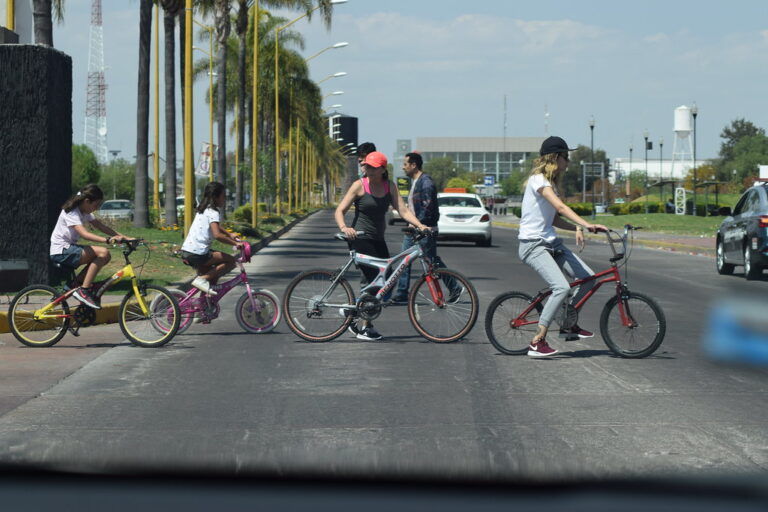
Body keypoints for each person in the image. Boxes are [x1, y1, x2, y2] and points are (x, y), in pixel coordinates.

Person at [518, 136, 608, 357]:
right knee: (562, 288)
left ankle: (567, 324)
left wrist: (576, 227)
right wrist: (586, 224)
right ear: (555, 157)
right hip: (533, 245)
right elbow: (559, 206)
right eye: (566, 157)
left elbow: (554, 218)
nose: (568, 162)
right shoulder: (538, 180)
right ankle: (537, 342)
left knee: (588, 279)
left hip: (551, 243)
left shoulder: (551, 184)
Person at [335, 151, 430, 341]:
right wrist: (345, 227)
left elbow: (402, 210)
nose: (367, 169)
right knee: (375, 282)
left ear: (383, 169)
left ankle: (352, 310)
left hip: (378, 239)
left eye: (372, 166)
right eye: (367, 166)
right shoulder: (359, 185)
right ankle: (365, 327)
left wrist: (420, 225)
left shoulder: (389, 187)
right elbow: (340, 210)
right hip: (360, 238)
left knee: (387, 280)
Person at [390, 152, 457, 304]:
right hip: (414, 230)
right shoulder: (416, 181)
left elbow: (427, 207)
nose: (403, 167)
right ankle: (401, 293)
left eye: (405, 164)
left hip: (424, 230)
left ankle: (454, 287)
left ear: (414, 165)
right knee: (404, 260)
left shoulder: (425, 182)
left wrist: (419, 225)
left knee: (431, 262)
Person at [49, 184, 128, 309]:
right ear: (86, 201)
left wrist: (126, 238)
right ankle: (84, 290)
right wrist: (107, 240)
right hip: (61, 251)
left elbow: (101, 226)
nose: (95, 209)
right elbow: (84, 234)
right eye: (95, 205)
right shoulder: (72, 212)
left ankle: (75, 285)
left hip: (69, 249)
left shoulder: (84, 211)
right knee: (103, 252)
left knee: (105, 257)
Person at [180, 181, 244, 296]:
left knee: (211, 281)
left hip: (188, 251)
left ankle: (202, 305)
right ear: (215, 197)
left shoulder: (204, 209)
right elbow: (217, 235)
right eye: (223, 196)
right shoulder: (213, 212)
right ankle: (202, 278)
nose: (225, 199)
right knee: (231, 261)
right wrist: (235, 243)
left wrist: (229, 234)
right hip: (198, 253)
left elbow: (216, 226)